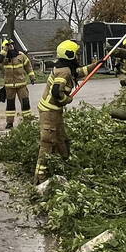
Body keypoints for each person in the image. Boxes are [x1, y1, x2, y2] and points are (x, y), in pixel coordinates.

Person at [34, 40, 95, 184]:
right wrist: (66, 100)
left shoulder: (67, 67)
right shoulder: (64, 71)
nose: (78, 57)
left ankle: (65, 166)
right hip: (49, 111)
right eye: (76, 54)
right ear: (70, 54)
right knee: (48, 142)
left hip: (54, 111)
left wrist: (96, 65)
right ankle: (39, 178)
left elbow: (79, 72)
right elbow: (56, 92)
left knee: (62, 140)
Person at [0, 38, 36, 129]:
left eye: (11, 45)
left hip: (21, 84)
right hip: (9, 86)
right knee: (10, 105)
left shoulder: (21, 56)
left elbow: (28, 67)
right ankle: (9, 123)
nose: (11, 47)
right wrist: (5, 49)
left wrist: (32, 77)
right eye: (8, 46)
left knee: (25, 103)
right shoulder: (3, 58)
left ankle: (27, 121)